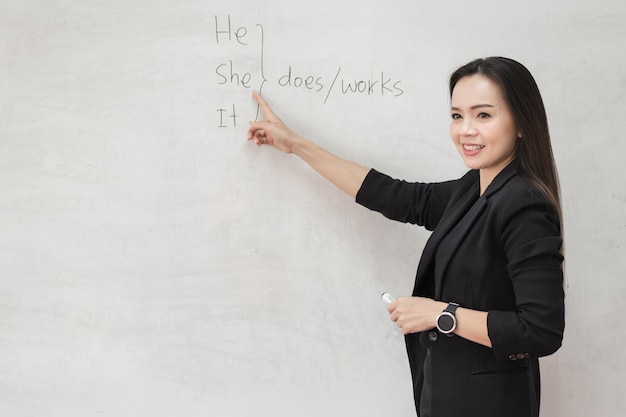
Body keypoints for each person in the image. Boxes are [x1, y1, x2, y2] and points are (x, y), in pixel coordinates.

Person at [247, 57, 564, 417]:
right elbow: (397, 197)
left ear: (521, 123)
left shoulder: (523, 204)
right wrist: (296, 145)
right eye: (457, 116)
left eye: (483, 115)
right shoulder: (474, 189)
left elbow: (540, 331)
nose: (465, 130)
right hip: (446, 397)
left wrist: (440, 314)